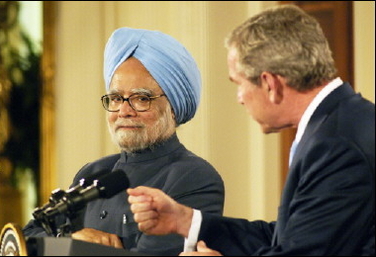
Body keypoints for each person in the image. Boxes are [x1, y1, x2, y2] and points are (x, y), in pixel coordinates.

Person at [127, 5, 375, 256]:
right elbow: (292, 236)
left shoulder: (335, 145)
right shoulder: (343, 122)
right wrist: (185, 220)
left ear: (270, 84)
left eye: (239, 83)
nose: (240, 98)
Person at [22, 27, 225, 256]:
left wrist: (76, 250)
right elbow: (24, 240)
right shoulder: (95, 172)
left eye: (141, 98)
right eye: (116, 98)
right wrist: (69, 239)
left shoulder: (194, 177)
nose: (124, 111)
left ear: (174, 109)